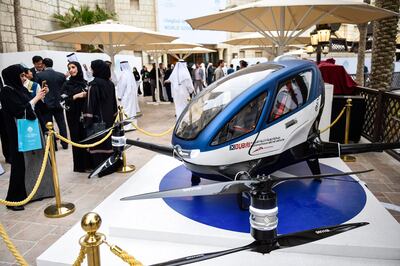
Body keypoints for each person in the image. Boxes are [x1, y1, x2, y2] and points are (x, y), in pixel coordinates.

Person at [0, 64, 54, 211]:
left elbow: (35, 108)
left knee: (35, 161)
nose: (25, 78)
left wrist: (42, 96)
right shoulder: (6, 91)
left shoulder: (20, 89)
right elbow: (19, 111)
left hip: (30, 131)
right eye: (21, 76)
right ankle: (14, 199)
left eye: (25, 75)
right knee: (20, 165)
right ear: (13, 77)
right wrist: (36, 98)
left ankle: (36, 192)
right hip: (18, 133)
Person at [83, 60, 118, 173]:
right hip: (109, 120)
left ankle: (99, 168)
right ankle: (110, 166)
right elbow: (114, 104)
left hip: (97, 121)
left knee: (97, 143)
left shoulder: (93, 85)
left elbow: (90, 105)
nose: (92, 70)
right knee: (108, 142)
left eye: (92, 68)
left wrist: (87, 120)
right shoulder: (110, 84)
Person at [61, 61, 92, 173]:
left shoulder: (84, 82)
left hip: (85, 115)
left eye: (73, 67)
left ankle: (89, 164)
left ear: (78, 68)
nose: (71, 70)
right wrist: (76, 96)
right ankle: (80, 166)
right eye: (69, 68)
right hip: (73, 116)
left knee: (88, 138)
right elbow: (62, 101)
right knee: (77, 139)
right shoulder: (66, 84)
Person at [36, 58, 69, 149]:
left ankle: (53, 145)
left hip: (46, 104)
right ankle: (65, 143)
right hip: (59, 103)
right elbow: (65, 88)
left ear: (43, 65)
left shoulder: (39, 75)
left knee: (49, 125)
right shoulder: (61, 75)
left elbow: (38, 89)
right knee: (62, 123)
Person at [118, 61, 138, 129]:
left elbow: (122, 86)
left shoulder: (123, 74)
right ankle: (133, 126)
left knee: (126, 111)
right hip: (132, 96)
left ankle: (126, 127)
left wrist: (120, 96)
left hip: (126, 96)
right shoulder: (131, 73)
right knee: (132, 111)